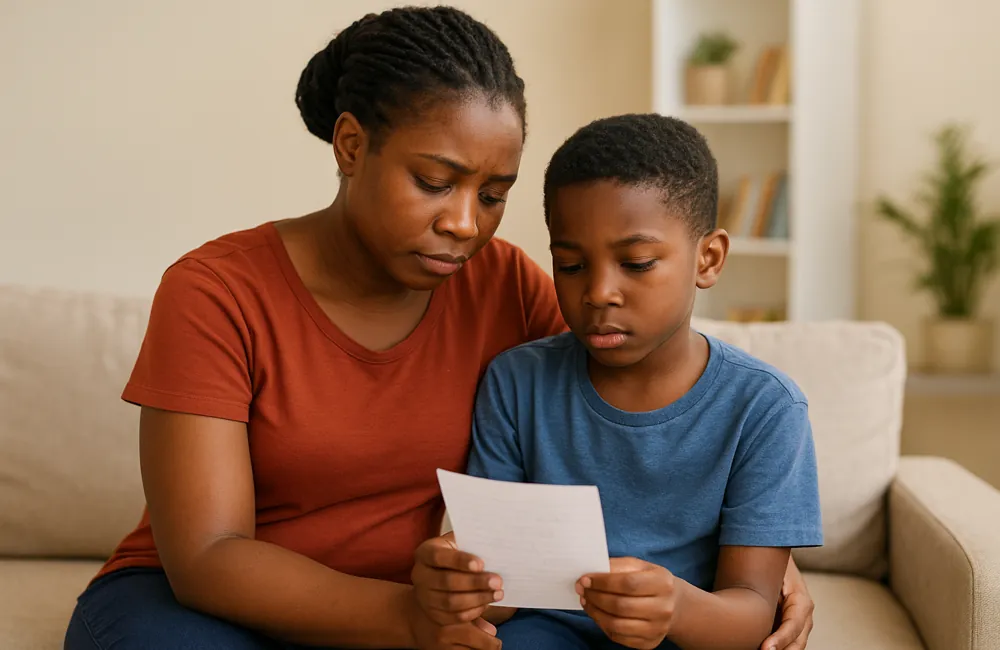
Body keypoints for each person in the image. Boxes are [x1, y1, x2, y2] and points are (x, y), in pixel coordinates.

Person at [64, 6, 815, 649]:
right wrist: (409, 619)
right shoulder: (216, 293)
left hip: (440, 610)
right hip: (214, 609)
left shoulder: (506, 285)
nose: (464, 224)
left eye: (493, 194)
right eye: (434, 182)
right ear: (352, 146)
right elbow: (207, 555)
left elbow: (636, 395)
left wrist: (764, 569)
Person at [410, 114, 823, 650]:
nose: (599, 292)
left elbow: (750, 618)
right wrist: (461, 582)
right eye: (572, 265)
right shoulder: (516, 383)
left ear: (709, 258)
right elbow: (501, 593)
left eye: (637, 262)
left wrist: (675, 606)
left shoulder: (765, 408)